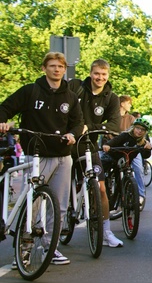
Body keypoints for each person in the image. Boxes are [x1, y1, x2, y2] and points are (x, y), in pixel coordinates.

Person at [0, 51, 84, 265]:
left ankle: (50, 247)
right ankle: (24, 248)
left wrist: (72, 135)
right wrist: (3, 122)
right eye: (53, 66)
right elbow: (5, 108)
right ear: (44, 68)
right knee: (33, 202)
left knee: (59, 205)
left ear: (65, 70)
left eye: (61, 67)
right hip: (36, 154)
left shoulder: (71, 97)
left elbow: (77, 122)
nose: (57, 70)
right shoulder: (31, 91)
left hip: (63, 156)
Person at [68, 59, 124, 248]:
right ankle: (53, 231)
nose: (100, 77)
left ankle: (106, 232)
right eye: (96, 74)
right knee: (61, 188)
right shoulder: (75, 87)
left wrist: (89, 127)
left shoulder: (111, 97)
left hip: (88, 146)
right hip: (67, 144)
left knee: (101, 188)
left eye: (103, 74)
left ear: (108, 75)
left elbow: (114, 125)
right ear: (91, 73)